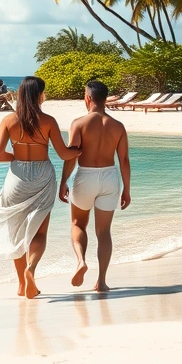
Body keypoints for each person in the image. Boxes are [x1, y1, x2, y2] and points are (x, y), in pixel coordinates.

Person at [0, 75, 81, 298]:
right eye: (44, 93)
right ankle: (32, 269)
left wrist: (18, 157)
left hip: (16, 178)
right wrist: (79, 150)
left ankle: (22, 284)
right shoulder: (48, 121)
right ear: (39, 95)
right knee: (39, 232)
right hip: (42, 176)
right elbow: (63, 154)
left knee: (15, 234)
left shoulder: (9, 120)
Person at [59, 79, 130, 293]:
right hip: (110, 176)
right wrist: (127, 189)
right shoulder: (118, 126)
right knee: (104, 232)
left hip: (85, 176)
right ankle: (102, 282)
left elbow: (72, 156)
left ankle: (81, 261)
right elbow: (124, 160)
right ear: (105, 99)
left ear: (88, 98)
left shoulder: (79, 123)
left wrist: (63, 181)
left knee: (78, 224)